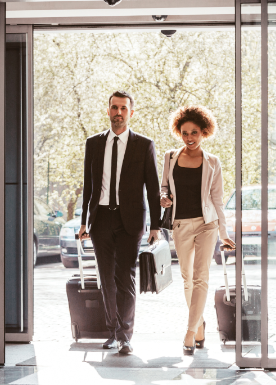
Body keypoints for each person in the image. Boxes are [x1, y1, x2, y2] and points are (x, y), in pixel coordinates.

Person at [79, 90, 161, 355]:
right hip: (101, 218)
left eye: (123, 108)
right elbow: (88, 186)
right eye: (114, 108)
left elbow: (153, 187)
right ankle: (112, 332)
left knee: (125, 277)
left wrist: (156, 226)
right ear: (108, 111)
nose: (118, 113)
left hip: (130, 220)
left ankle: (125, 335)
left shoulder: (143, 144)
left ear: (131, 112)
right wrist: (83, 222)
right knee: (106, 278)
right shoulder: (93, 143)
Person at [159, 105, 235, 355]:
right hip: (180, 225)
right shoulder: (170, 157)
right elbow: (164, 187)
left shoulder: (212, 162)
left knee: (201, 276)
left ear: (204, 132)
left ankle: (190, 332)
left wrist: (224, 233)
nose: (189, 138)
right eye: (184, 133)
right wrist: (164, 198)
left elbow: (217, 199)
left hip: (207, 224)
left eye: (194, 133)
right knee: (187, 278)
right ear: (179, 132)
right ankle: (199, 323)